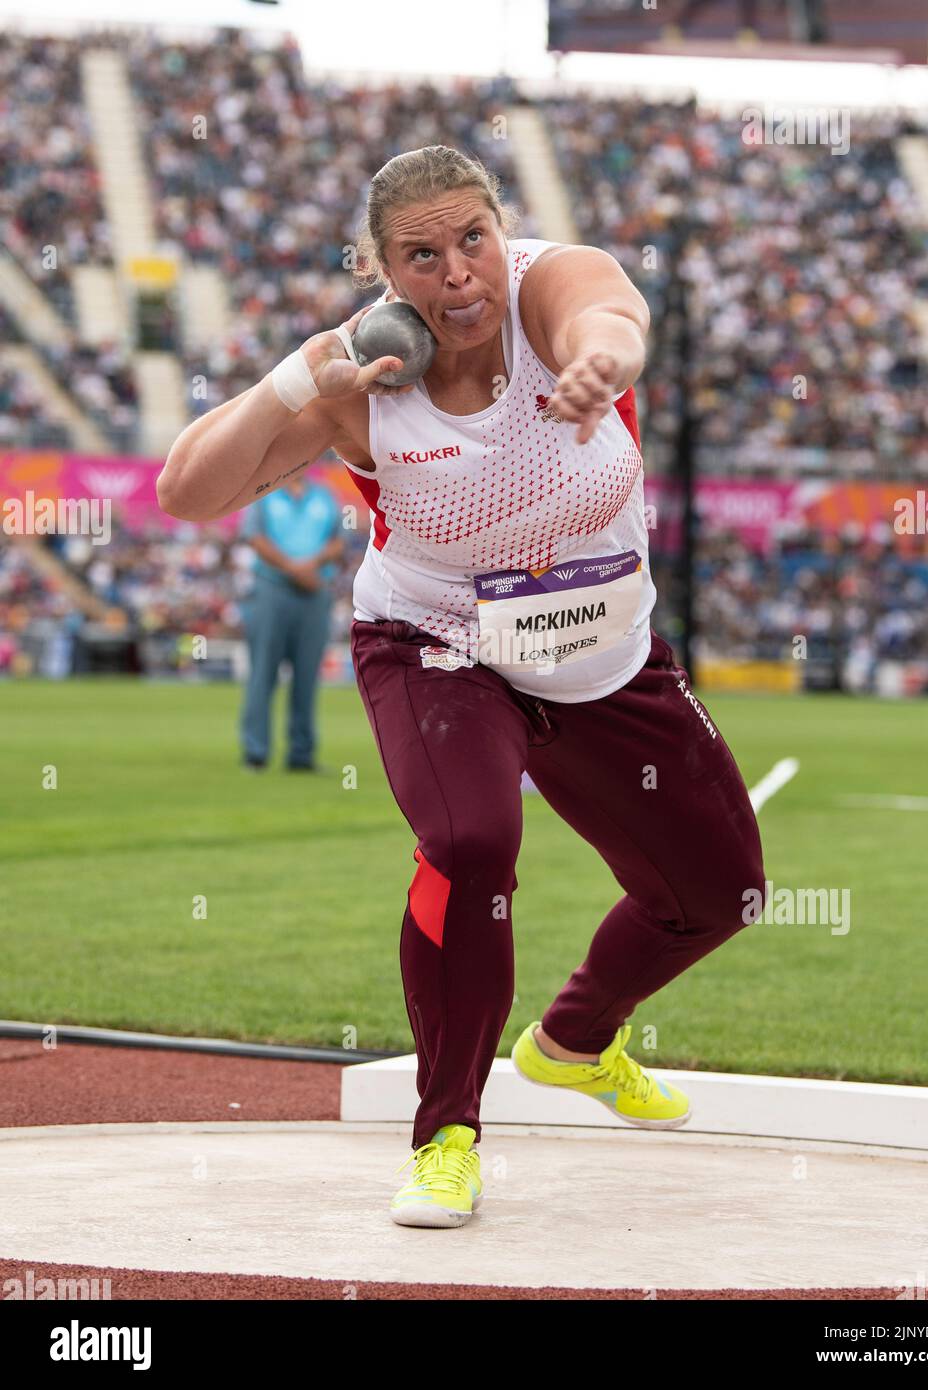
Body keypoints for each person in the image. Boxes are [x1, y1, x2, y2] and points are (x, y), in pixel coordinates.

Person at [157, 144, 766, 1231]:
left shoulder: (551, 287)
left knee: (721, 894)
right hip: (436, 643)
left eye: (471, 238)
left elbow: (607, 319)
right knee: (472, 843)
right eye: (420, 256)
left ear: (502, 229)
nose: (458, 276)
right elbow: (187, 491)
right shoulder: (363, 379)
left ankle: (575, 1039)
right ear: (383, 271)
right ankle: (447, 1134)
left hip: (601, 657)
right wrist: (301, 377)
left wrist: (598, 365)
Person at [236, 469, 343, 771]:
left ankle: (301, 753)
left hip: (314, 593)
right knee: (262, 673)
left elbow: (338, 541)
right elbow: (254, 539)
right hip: (272, 589)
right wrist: (295, 569)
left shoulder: (324, 495)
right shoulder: (263, 493)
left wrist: (312, 566)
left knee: (308, 676)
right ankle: (255, 751)